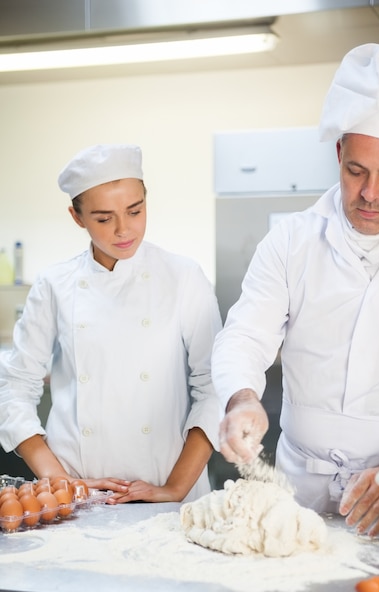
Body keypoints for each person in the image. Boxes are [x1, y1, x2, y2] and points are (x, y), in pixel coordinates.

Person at [211, 43, 379, 536]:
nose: (370, 193)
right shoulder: (292, 239)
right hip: (298, 492)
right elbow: (245, 333)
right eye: (356, 171)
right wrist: (241, 396)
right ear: (339, 154)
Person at [0, 143, 222, 504]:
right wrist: (60, 483)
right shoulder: (55, 284)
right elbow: (15, 387)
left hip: (168, 494)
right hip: (77, 497)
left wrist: (175, 488)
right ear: (77, 217)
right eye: (104, 218)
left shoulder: (183, 277)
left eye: (135, 211)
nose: (124, 230)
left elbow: (214, 385)